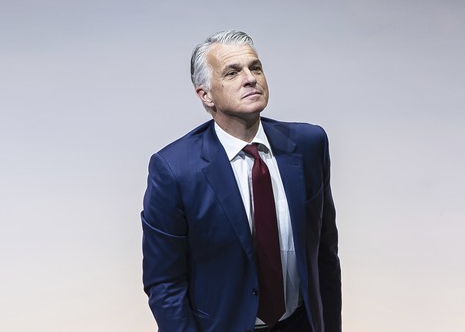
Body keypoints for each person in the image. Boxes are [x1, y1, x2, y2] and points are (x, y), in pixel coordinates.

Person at [141, 30, 341, 332]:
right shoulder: (174, 169)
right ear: (205, 95)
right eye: (232, 73)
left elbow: (325, 256)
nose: (250, 79)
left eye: (255, 67)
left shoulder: (309, 145)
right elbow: (165, 284)